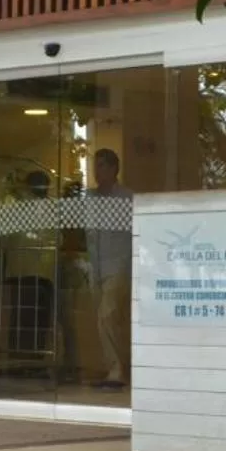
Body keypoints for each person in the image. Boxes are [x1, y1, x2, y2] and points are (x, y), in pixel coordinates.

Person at [87, 148, 134, 389]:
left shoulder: (126, 198)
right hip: (95, 267)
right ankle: (117, 368)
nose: (98, 171)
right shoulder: (90, 199)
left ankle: (116, 370)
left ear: (115, 169)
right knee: (109, 320)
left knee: (106, 316)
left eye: (103, 165)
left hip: (119, 265)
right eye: (95, 165)